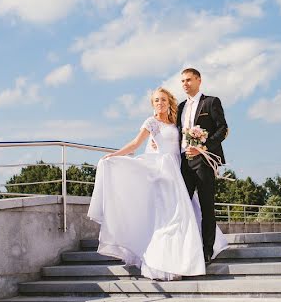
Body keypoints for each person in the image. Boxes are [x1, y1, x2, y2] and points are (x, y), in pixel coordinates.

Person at [87, 87, 225, 280]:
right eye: (156, 101)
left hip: (178, 170)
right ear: (153, 104)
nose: (160, 103)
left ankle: (192, 254)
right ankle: (165, 261)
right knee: (169, 217)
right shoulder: (151, 122)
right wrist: (115, 155)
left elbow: (181, 144)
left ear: (169, 103)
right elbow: (135, 144)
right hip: (163, 172)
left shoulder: (176, 123)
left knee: (186, 213)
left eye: (163, 100)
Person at [177, 67, 228, 264]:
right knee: (183, 206)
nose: (185, 84)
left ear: (199, 80)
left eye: (189, 80)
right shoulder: (180, 107)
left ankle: (207, 251)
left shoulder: (211, 102)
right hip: (183, 161)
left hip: (204, 160)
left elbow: (223, 129)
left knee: (207, 206)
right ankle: (184, 249)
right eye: (182, 81)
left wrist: (203, 147)